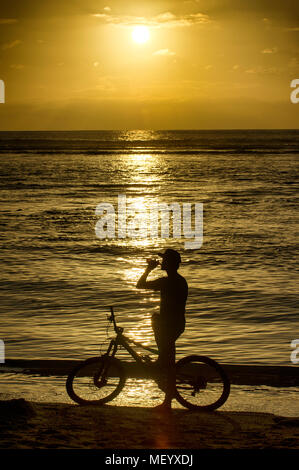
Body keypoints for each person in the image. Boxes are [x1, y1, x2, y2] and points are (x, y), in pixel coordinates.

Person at [136, 249, 188, 411]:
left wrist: (148, 269)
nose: (162, 262)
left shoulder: (167, 282)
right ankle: (167, 395)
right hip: (175, 324)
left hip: (170, 325)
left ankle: (167, 402)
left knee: (168, 364)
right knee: (155, 319)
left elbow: (140, 284)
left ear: (170, 264)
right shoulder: (179, 280)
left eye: (165, 260)